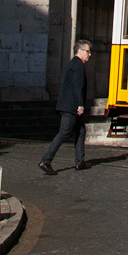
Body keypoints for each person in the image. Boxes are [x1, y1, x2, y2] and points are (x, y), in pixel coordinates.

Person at [40, 39, 93, 175]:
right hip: (71, 107)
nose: (90, 54)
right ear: (80, 51)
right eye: (88, 51)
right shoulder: (79, 65)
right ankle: (46, 161)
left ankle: (80, 162)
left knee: (81, 131)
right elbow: (77, 86)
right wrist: (80, 105)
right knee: (63, 133)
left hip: (67, 105)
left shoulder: (70, 64)